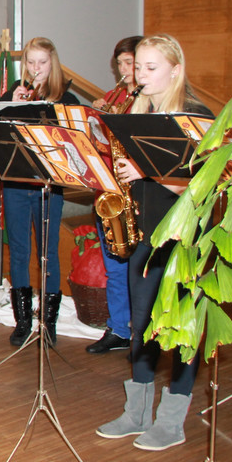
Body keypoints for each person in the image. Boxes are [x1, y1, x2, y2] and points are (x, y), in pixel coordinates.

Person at [96, 34, 213, 451]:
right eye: (137, 67)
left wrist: (145, 170)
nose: (139, 75)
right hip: (145, 232)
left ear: (175, 70)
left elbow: (201, 185)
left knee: (180, 329)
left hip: (183, 236)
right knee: (141, 325)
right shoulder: (139, 112)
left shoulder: (196, 116)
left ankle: (172, 420)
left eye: (150, 68)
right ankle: (137, 412)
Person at [0, 36, 80, 347]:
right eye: (30, 62)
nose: (35, 68)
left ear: (52, 63)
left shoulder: (66, 99)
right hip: (17, 183)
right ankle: (22, 322)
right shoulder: (12, 93)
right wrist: (12, 105)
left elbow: (73, 140)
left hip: (49, 185)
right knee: (19, 251)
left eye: (42, 63)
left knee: (48, 253)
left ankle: (48, 322)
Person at [87, 35, 142, 354]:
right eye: (120, 64)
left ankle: (142, 332)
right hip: (107, 189)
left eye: (130, 63)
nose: (125, 70)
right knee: (114, 266)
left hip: (136, 191)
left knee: (139, 268)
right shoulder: (113, 97)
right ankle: (119, 328)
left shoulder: (148, 100)